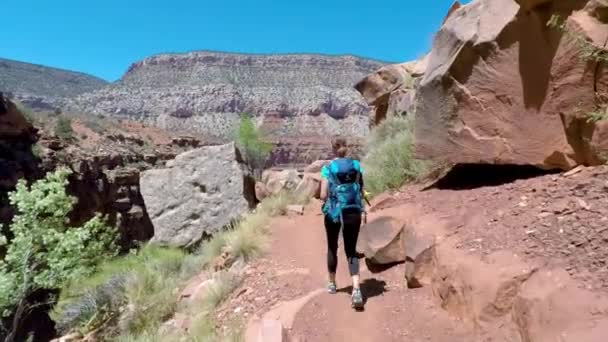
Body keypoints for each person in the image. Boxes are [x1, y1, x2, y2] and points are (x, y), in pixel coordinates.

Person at [320, 138, 366, 309]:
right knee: (351, 250)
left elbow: (323, 195)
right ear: (347, 149)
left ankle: (332, 284)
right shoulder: (356, 165)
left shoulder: (327, 169)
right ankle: (356, 289)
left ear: (333, 150)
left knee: (332, 247)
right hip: (353, 211)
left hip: (334, 213)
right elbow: (361, 188)